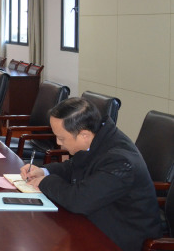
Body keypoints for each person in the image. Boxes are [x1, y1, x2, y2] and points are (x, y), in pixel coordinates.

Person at [20, 97, 161, 251]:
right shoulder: (99, 138)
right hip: (97, 220)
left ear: (84, 135)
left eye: (61, 138)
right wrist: (44, 171)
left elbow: (78, 201)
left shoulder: (120, 161)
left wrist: (45, 181)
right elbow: (74, 166)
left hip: (121, 237)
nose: (58, 143)